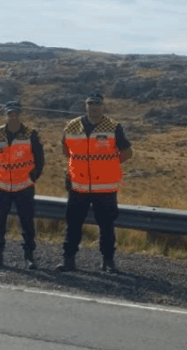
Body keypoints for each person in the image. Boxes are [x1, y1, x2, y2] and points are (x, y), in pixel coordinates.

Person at [56, 91, 133, 273]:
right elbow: (66, 150)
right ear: (86, 106)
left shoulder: (113, 127)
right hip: (78, 186)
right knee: (73, 224)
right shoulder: (71, 126)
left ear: (103, 106)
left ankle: (108, 261)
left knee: (106, 226)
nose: (94, 107)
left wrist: (109, 166)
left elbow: (127, 152)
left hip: (105, 187)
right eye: (91, 104)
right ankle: (68, 260)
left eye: (97, 104)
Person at [0, 100, 45, 270]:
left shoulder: (31, 134)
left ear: (20, 114)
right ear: (6, 114)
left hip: (24, 187)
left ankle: (29, 257)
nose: (13, 116)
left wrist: (32, 178)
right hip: (2, 188)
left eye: (16, 113)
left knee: (27, 224)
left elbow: (40, 160)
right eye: (10, 113)